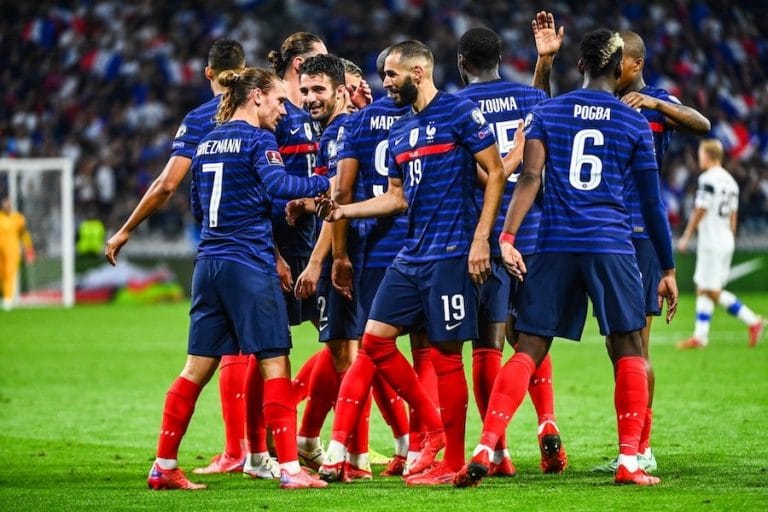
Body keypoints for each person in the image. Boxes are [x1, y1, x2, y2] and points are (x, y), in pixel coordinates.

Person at [453, 28, 678, 489]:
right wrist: (668, 267)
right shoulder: (633, 120)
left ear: (580, 66)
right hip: (610, 244)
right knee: (629, 348)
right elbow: (652, 204)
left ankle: (487, 445)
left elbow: (529, 177)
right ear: (618, 70)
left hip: (554, 243)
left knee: (529, 348)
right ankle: (630, 460)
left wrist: (507, 236)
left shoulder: (548, 111)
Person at [320, 39, 507, 486]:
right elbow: (396, 197)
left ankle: (453, 461)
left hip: (451, 253)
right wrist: (345, 210)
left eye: (392, 74)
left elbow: (496, 173)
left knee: (446, 355)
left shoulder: (459, 112)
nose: (385, 82)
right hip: (412, 255)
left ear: (418, 73)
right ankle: (435, 431)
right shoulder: (401, 130)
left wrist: (482, 239)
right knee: (375, 342)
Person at [146, 66, 331, 491]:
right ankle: (290, 469)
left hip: (208, 264)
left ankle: (164, 465)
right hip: (248, 264)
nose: (284, 110)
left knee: (195, 368)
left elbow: (197, 207)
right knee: (275, 361)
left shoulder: (207, 141)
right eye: (279, 100)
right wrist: (328, 179)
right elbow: (279, 184)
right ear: (256, 96)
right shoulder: (258, 139)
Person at [103, 40, 262, 477]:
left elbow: (166, 185)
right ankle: (274, 454)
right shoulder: (261, 111)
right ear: (245, 70)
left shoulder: (199, 120)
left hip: (214, 252)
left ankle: (221, 453)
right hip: (263, 247)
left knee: (214, 356)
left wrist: (126, 229)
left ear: (208, 73)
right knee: (269, 352)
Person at [592, 30, 711, 475]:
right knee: (616, 343)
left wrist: (657, 106)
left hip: (640, 234)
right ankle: (631, 443)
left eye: (618, 60)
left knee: (636, 345)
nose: (612, 66)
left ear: (636, 64)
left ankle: (642, 448)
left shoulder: (658, 101)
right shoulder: (603, 102)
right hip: (606, 231)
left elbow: (702, 124)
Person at [455, 16, 567, 477]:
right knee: (531, 337)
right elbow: (541, 120)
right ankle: (546, 421)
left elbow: (477, 175)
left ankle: (497, 450)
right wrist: (544, 64)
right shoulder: (531, 97)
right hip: (535, 232)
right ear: (500, 60)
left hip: (486, 236)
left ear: (462, 64)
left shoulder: (456, 107)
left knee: (488, 344)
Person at [317, 46, 424, 483]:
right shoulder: (428, 116)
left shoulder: (357, 124)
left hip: (372, 251)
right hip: (423, 246)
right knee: (428, 354)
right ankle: (419, 447)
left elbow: (340, 194)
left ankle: (343, 449)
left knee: (369, 349)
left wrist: (340, 255)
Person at [290, 54, 362, 472]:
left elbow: (338, 201)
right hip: (357, 247)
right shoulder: (340, 129)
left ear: (340, 92)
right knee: (349, 351)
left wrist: (320, 261)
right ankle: (341, 448)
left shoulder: (338, 133)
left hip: (345, 251)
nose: (309, 98)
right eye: (305, 90)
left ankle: (349, 451)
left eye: (318, 90)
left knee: (349, 355)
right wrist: (305, 202)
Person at [677, 139, 765, 349]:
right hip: (725, 238)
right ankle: (700, 337)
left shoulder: (707, 178)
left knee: (712, 290)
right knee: (703, 287)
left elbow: (701, 208)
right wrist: (730, 237)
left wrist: (686, 235)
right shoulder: (731, 181)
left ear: (708, 155)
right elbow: (734, 215)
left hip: (712, 240)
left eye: (700, 154)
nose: (699, 158)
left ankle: (753, 321)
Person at [0, 196, 35, 311]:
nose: (7, 205)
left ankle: (8, 298)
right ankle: (5, 295)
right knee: (2, 274)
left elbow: (24, 233)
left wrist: (29, 248)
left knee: (10, 272)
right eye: (5, 203)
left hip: (12, 250)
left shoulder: (18, 218)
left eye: (9, 203)